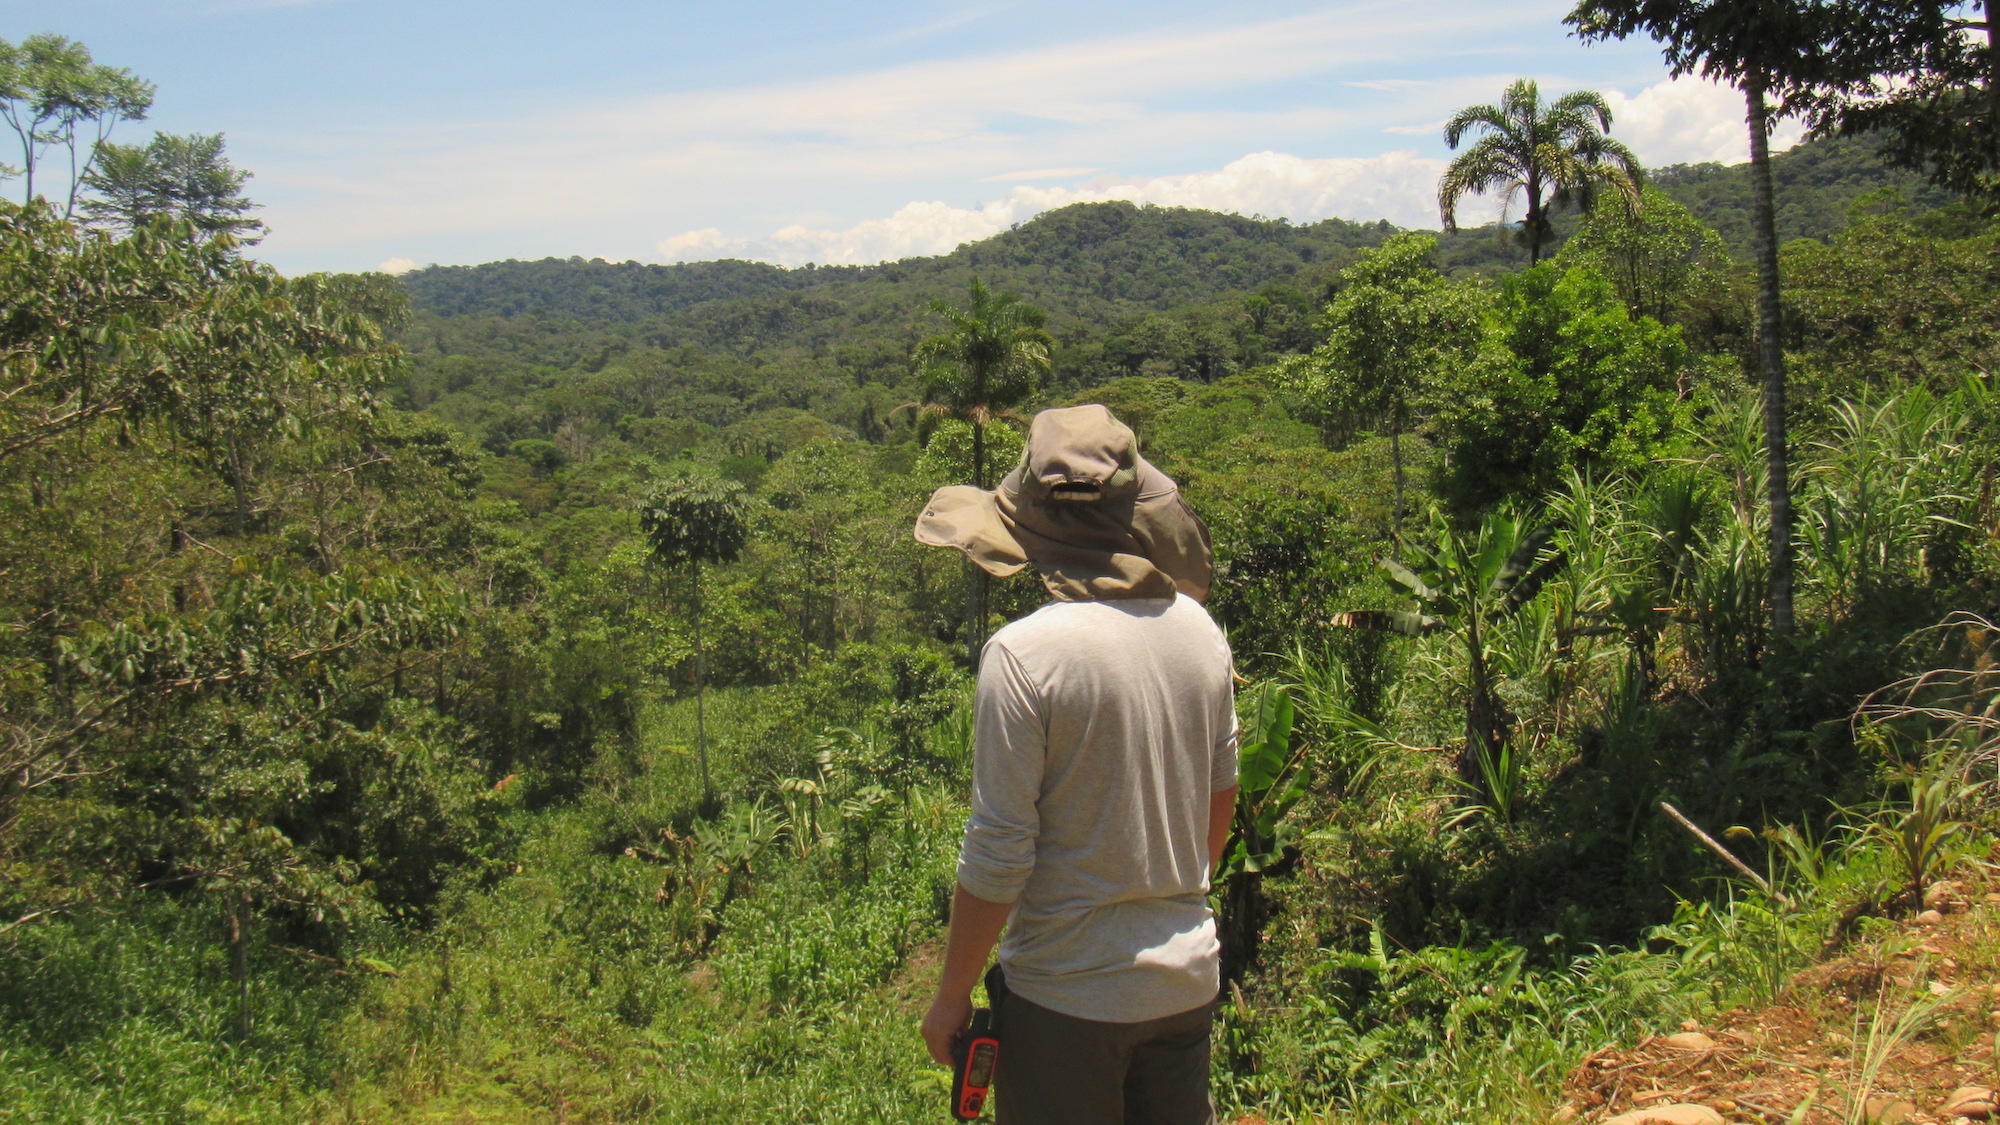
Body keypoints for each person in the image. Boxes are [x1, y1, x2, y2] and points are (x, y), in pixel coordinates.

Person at [913, 404, 1239, 1125]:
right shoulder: (1199, 632)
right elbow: (1220, 802)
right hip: (1185, 986)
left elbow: (999, 855)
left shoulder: (1025, 656)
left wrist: (950, 996)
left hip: (1067, 999)